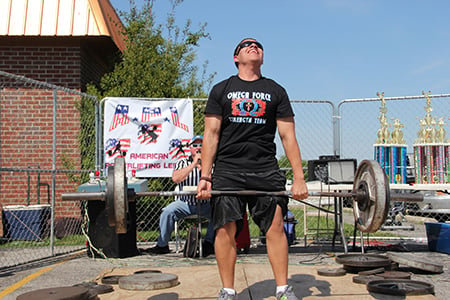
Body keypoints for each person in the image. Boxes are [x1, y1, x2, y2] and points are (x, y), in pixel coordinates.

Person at [196, 38, 309, 300]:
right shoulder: (221, 90)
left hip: (265, 169)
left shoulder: (276, 90)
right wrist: (205, 175)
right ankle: (228, 291)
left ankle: (282, 289)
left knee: (276, 227)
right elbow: (211, 134)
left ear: (262, 57)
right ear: (236, 58)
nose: (253, 46)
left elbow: (288, 137)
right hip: (228, 169)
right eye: (246, 45)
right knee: (225, 229)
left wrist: (299, 178)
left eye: (258, 45)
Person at [147, 135, 215, 257]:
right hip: (185, 203)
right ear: (190, 148)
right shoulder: (182, 162)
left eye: (201, 145)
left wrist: (203, 166)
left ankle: (209, 244)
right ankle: (162, 245)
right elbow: (176, 178)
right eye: (195, 146)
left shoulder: (211, 163)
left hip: (205, 203)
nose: (198, 148)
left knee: (219, 212)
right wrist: (194, 164)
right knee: (167, 212)